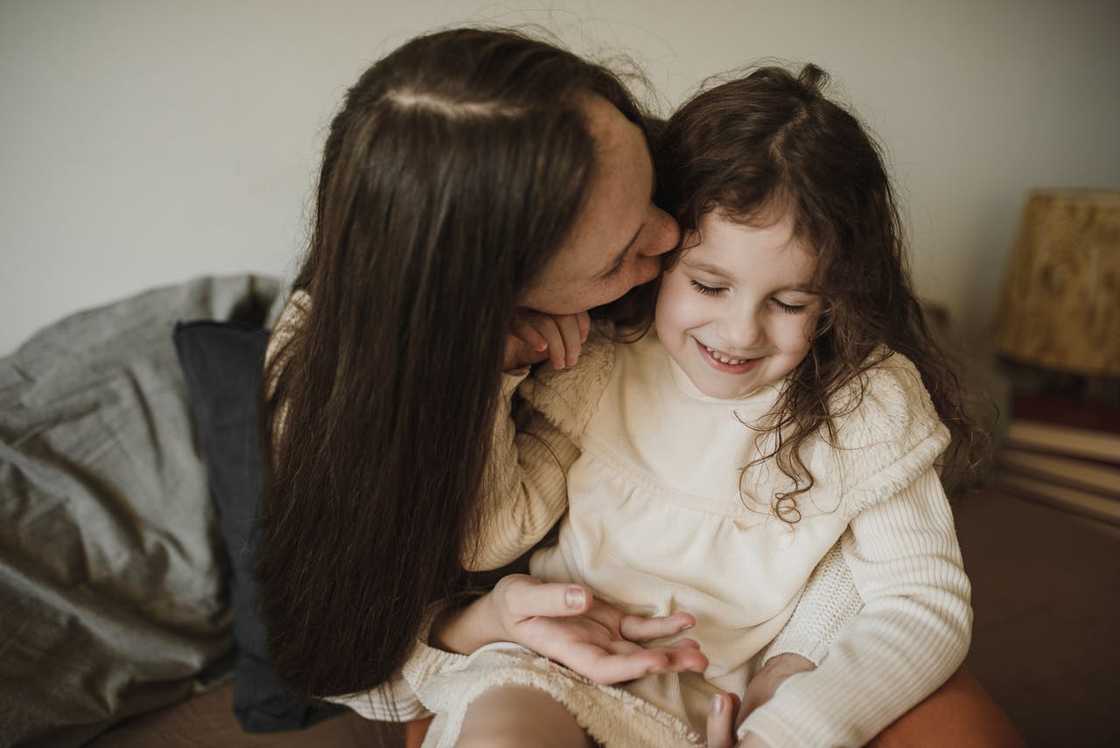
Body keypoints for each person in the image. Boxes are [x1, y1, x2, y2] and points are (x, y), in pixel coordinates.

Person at [258, 28, 916, 746]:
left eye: (651, 193)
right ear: (495, 299)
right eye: (621, 256)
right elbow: (349, 664)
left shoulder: (710, 198)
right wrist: (483, 622)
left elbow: (855, 531)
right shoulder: (335, 383)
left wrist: (796, 656)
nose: (668, 237)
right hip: (510, 669)